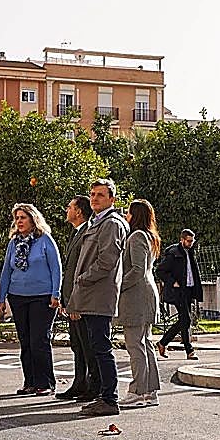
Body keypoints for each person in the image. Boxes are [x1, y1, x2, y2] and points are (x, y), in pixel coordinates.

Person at [70, 178, 128, 416]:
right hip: (90, 294)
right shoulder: (97, 222)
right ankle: (104, 397)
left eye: (100, 195)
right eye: (92, 194)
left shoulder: (112, 223)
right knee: (96, 347)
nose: (94, 198)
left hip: (99, 294)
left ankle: (109, 399)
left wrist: (84, 278)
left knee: (101, 348)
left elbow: (107, 260)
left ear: (112, 199)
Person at [0, 203, 62, 396]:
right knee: (25, 341)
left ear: (33, 219)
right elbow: (7, 270)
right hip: (18, 297)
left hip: (42, 297)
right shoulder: (13, 243)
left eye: (22, 217)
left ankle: (46, 383)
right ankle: (30, 382)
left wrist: (55, 293)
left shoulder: (45, 240)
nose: (19, 221)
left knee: (38, 340)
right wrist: (1, 298)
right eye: (16, 218)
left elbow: (56, 268)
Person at [114, 199, 162, 408]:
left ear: (136, 215)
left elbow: (136, 270)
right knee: (145, 343)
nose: (126, 216)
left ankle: (137, 391)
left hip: (137, 297)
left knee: (135, 344)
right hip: (145, 295)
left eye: (128, 213)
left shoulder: (136, 237)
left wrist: (118, 286)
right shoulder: (148, 236)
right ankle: (149, 392)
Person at [57, 194, 100, 402]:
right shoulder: (76, 233)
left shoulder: (87, 233)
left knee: (87, 345)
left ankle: (92, 385)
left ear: (79, 211)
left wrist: (75, 300)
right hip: (71, 298)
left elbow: (80, 269)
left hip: (80, 300)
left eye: (70, 207)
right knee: (77, 344)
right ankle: (79, 382)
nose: (67, 210)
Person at [156, 228, 203, 360]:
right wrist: (172, 282)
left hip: (189, 290)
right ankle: (189, 350)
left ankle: (163, 343)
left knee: (184, 321)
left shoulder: (191, 252)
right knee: (186, 320)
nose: (191, 243)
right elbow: (160, 271)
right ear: (182, 240)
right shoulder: (173, 254)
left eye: (192, 241)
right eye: (188, 241)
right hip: (178, 291)